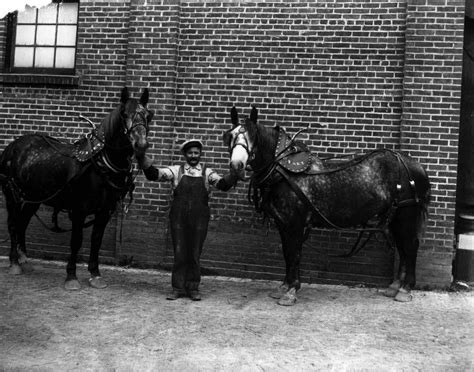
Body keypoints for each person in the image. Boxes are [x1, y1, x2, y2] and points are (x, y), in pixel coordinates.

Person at [140, 139, 238, 301]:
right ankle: (177, 288)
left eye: (196, 153)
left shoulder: (207, 172)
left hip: (200, 219)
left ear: (200, 154)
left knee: (194, 253)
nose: (193, 156)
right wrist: (142, 159)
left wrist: (234, 173)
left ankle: (193, 288)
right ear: (185, 155)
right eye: (190, 153)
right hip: (178, 218)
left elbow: (222, 185)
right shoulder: (176, 171)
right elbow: (155, 175)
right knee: (179, 252)